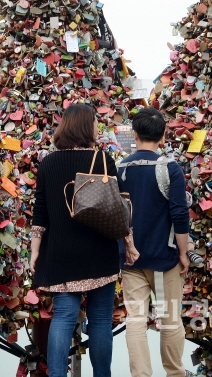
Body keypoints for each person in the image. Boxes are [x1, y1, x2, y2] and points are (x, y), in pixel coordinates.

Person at [30, 104, 138, 377]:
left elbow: (40, 211)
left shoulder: (48, 163)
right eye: (93, 123)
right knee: (101, 319)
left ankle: (57, 374)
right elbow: (119, 208)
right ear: (86, 127)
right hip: (98, 251)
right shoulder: (102, 160)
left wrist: (35, 251)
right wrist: (129, 244)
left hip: (60, 253)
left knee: (64, 317)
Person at [117, 107, 190, 377]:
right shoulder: (170, 168)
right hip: (165, 259)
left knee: (135, 319)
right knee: (170, 319)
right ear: (163, 136)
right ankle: (174, 373)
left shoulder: (119, 168)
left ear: (134, 134)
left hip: (131, 259)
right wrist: (183, 252)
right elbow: (179, 214)